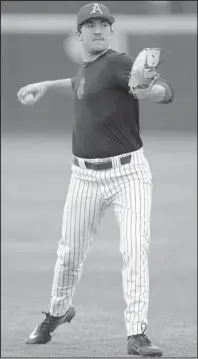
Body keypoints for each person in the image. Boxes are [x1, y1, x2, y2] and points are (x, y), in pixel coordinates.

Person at [17, 2, 174, 356]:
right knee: (69, 254)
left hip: (128, 175)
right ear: (79, 34)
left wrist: (151, 91)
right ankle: (57, 312)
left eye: (104, 24)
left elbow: (164, 90)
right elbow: (78, 83)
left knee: (134, 250)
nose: (99, 29)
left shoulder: (119, 62)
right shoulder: (88, 69)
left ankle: (137, 335)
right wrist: (45, 84)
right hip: (83, 179)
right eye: (91, 24)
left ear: (111, 31)